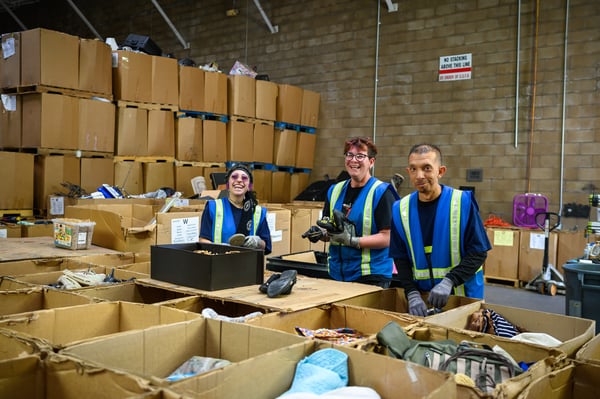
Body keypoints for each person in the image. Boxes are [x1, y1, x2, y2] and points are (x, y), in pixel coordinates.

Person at [389, 143, 491, 316]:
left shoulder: (462, 202)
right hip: (423, 301)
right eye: (413, 169)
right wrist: (411, 293)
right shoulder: (400, 209)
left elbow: (478, 253)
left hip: (462, 297)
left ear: (440, 171)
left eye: (426, 168)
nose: (419, 175)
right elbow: (401, 257)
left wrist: (449, 281)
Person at [304, 136, 399, 288]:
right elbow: (333, 231)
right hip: (337, 273)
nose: (354, 160)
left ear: (371, 162)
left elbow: (389, 238)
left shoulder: (382, 193)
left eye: (360, 156)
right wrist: (321, 234)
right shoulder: (334, 191)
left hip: (371, 276)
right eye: (349, 155)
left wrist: (352, 241)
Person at [199, 164, 272, 254]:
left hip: (247, 264)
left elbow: (267, 246)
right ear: (227, 184)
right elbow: (203, 240)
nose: (239, 180)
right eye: (234, 177)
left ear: (249, 186)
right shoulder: (213, 207)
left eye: (244, 178)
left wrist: (258, 242)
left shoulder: (258, 212)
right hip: (219, 263)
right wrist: (219, 248)